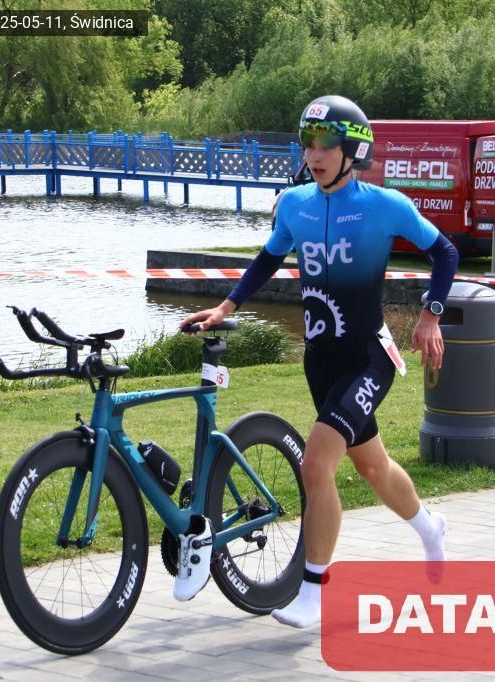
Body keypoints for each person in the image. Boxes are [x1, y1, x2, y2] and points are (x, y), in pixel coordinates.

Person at [178, 95, 458, 627]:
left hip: (368, 358)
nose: (315, 154)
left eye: (326, 144)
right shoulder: (295, 205)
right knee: (373, 467)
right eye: (308, 143)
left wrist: (431, 314)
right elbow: (268, 258)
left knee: (315, 464)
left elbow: (444, 252)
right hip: (320, 361)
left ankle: (314, 591)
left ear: (353, 150)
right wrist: (226, 306)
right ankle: (430, 527)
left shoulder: (385, 206)